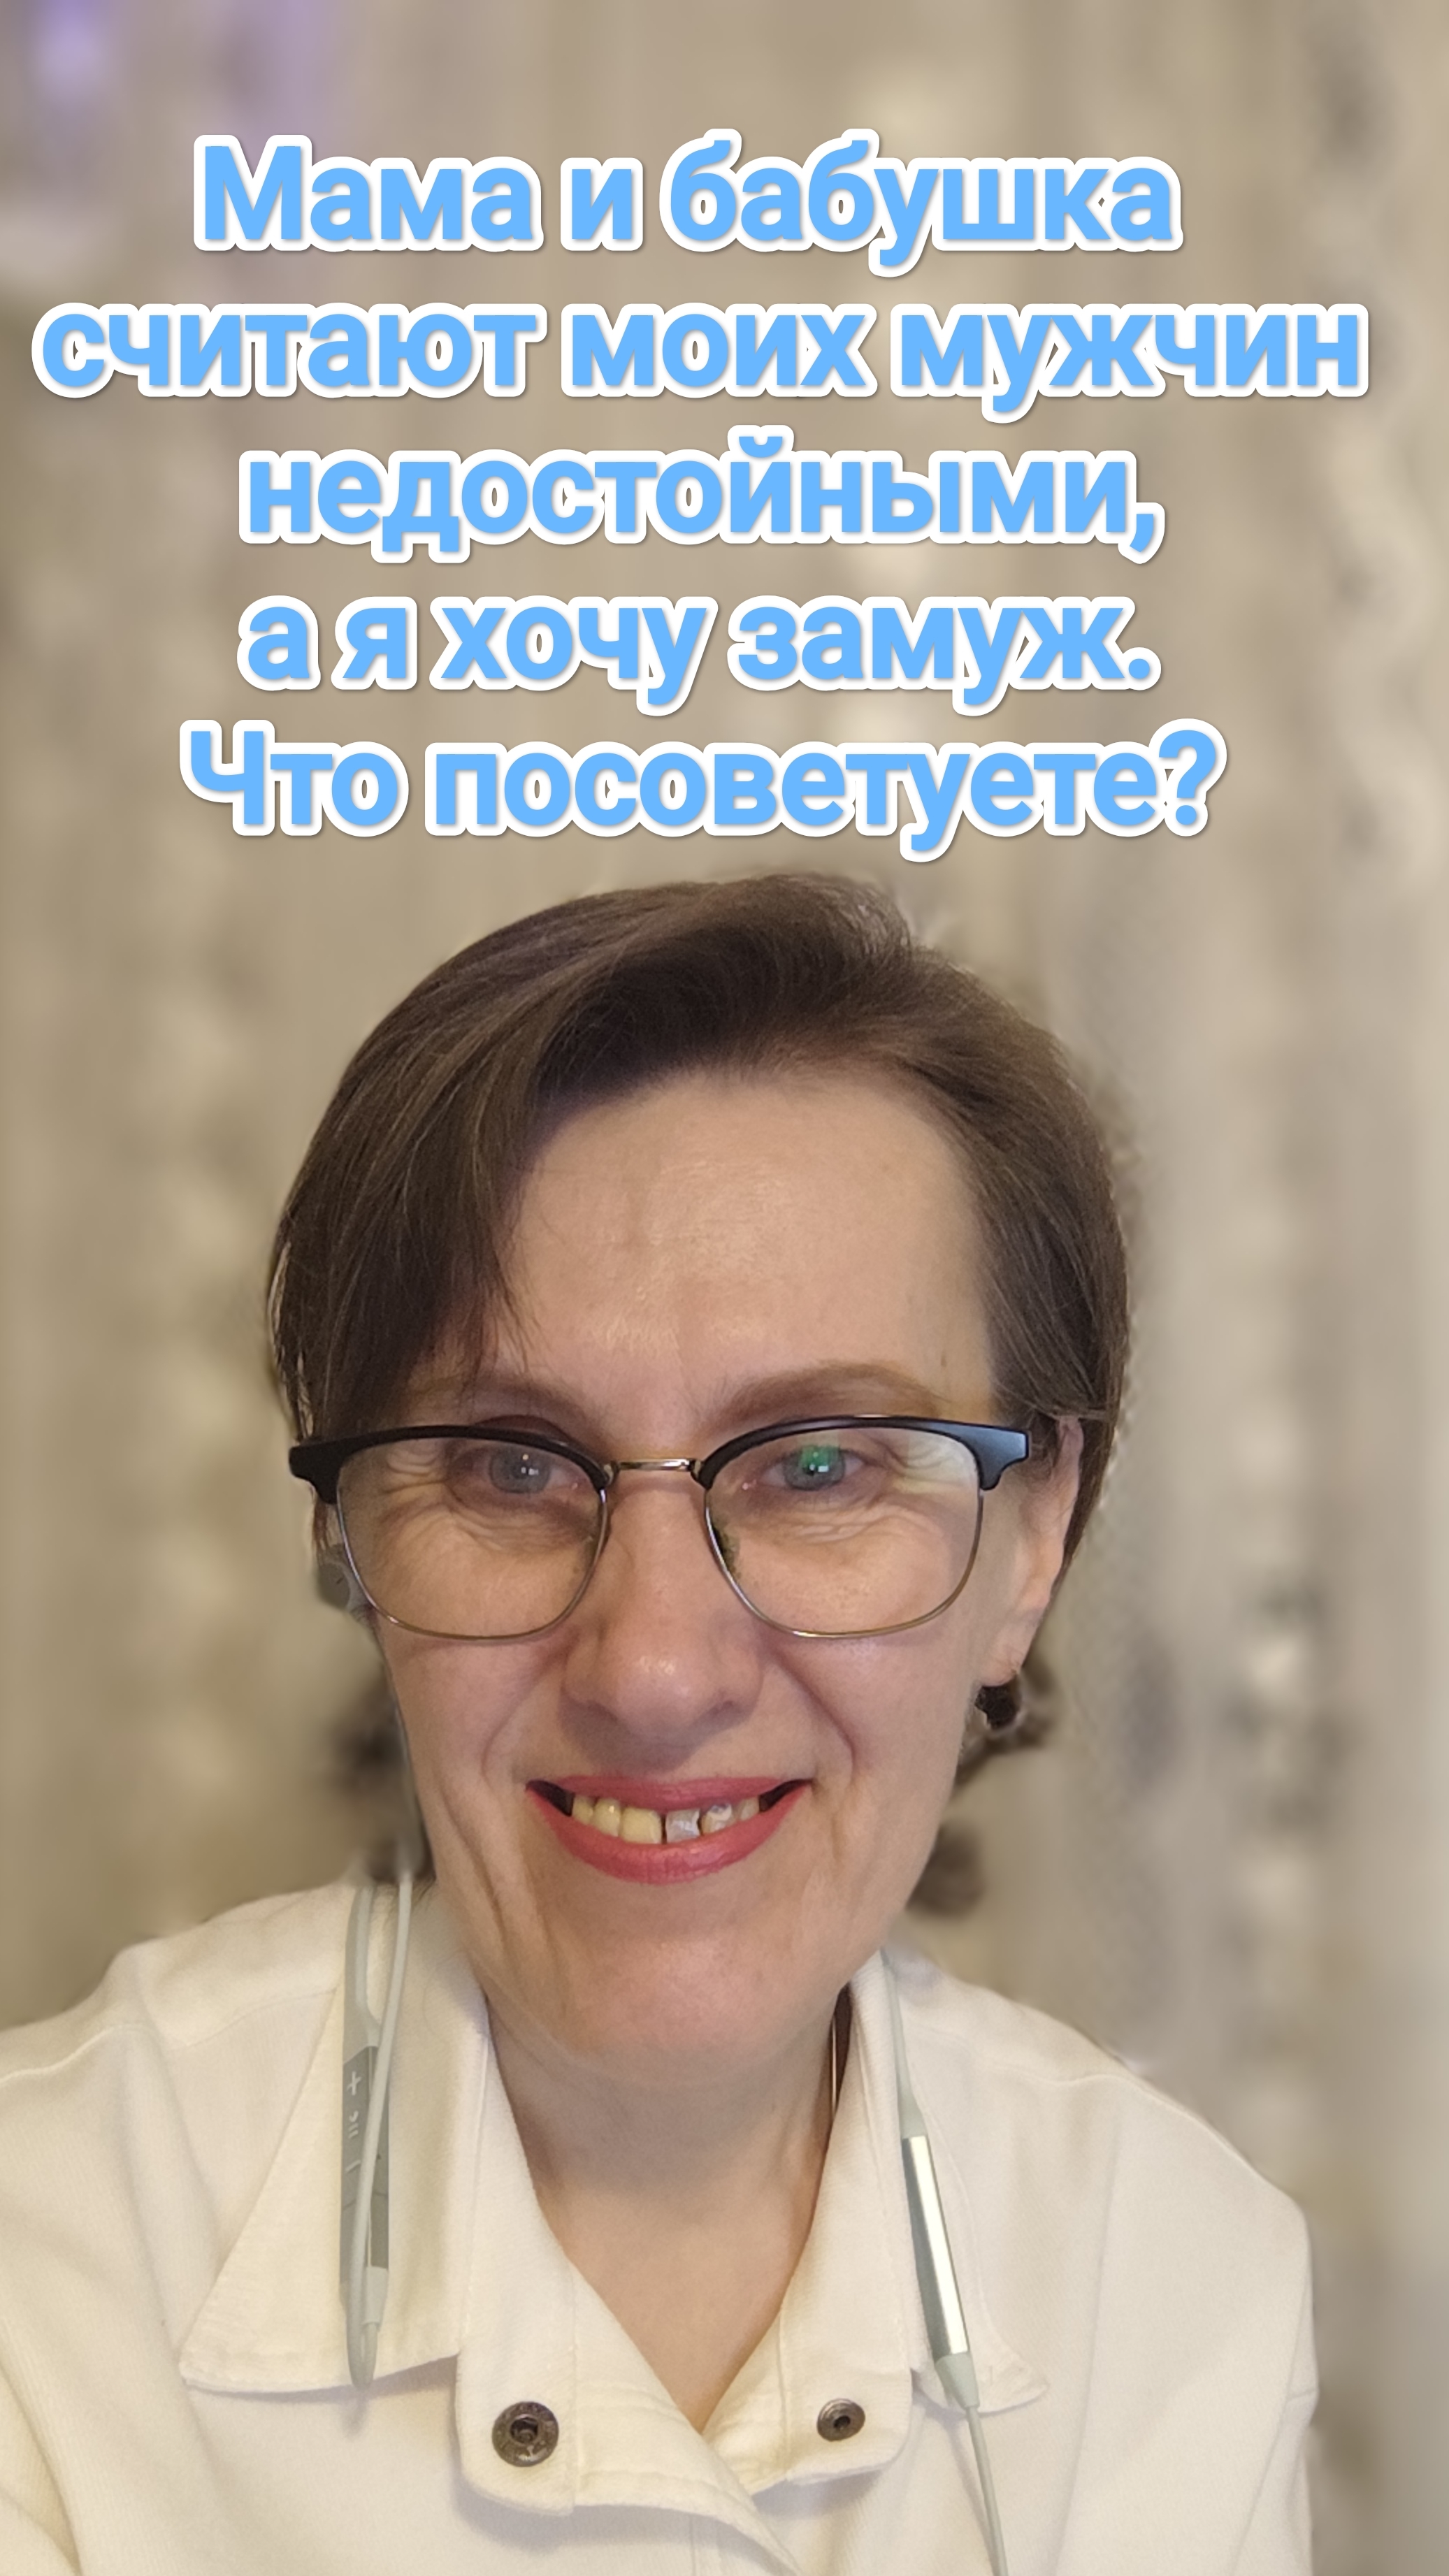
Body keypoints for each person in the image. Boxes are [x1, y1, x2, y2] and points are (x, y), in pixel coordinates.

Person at [0, 874, 1315, 2574]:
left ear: (1033, 1539)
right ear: (350, 1540)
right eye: (509, 1463)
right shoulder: (48, 2266)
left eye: (820, 1464)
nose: (654, 1668)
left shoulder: (1181, 2289)